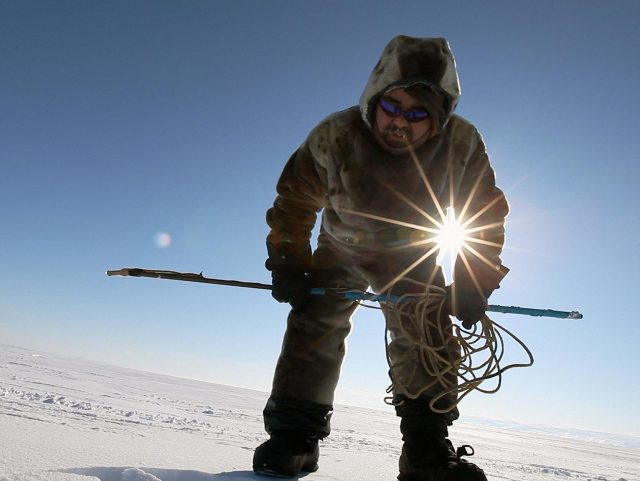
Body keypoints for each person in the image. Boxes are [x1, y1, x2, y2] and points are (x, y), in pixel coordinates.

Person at [253, 35, 509, 481]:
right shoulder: (335, 134)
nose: (400, 123)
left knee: (426, 328)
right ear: (375, 96)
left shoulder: (461, 143)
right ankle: (294, 439)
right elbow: (294, 201)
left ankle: (426, 451)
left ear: (439, 117)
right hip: (340, 248)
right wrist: (289, 260)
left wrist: (473, 278)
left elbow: (482, 212)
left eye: (417, 115)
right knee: (315, 321)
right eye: (393, 106)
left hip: (411, 254)